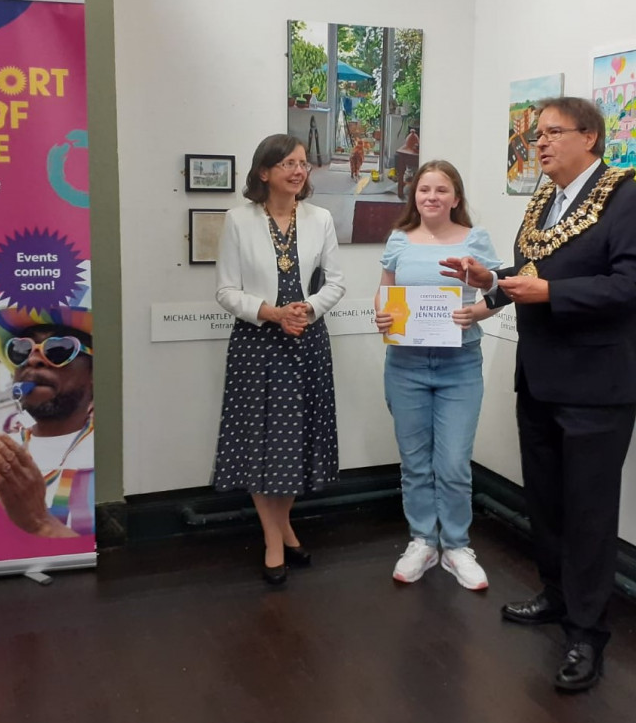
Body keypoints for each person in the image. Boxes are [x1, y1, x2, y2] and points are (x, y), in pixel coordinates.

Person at [441, 96, 636, 692]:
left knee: (589, 511)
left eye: (551, 133)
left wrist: (552, 294)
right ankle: (558, 597)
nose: (537, 144)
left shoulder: (630, 199)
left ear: (589, 137)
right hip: (539, 377)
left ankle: (587, 637)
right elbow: (525, 274)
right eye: (536, 134)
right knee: (545, 500)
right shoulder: (543, 199)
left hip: (595, 385)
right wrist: (489, 286)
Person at [214, 133, 346, 585]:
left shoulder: (321, 218)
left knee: (297, 438)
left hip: (306, 339)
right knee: (260, 440)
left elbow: (336, 282)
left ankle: (283, 524)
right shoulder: (237, 219)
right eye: (287, 163)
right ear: (263, 172)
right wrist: (270, 313)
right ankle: (275, 537)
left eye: (303, 163)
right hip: (257, 342)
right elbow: (226, 291)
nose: (297, 170)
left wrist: (307, 309)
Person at [374, 160, 502, 590]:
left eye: (441, 190)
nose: (432, 197)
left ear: (456, 198)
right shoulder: (399, 239)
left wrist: (476, 312)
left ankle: (457, 547)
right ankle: (423, 541)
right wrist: (381, 314)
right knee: (414, 462)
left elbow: (496, 292)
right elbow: (385, 285)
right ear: (414, 196)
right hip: (406, 365)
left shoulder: (474, 239)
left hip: (459, 365)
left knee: (451, 463)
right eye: (424, 189)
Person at [0, 302, 94, 538]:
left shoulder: (119, 457)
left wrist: (40, 524)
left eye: (59, 348)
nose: (33, 359)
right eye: (21, 349)